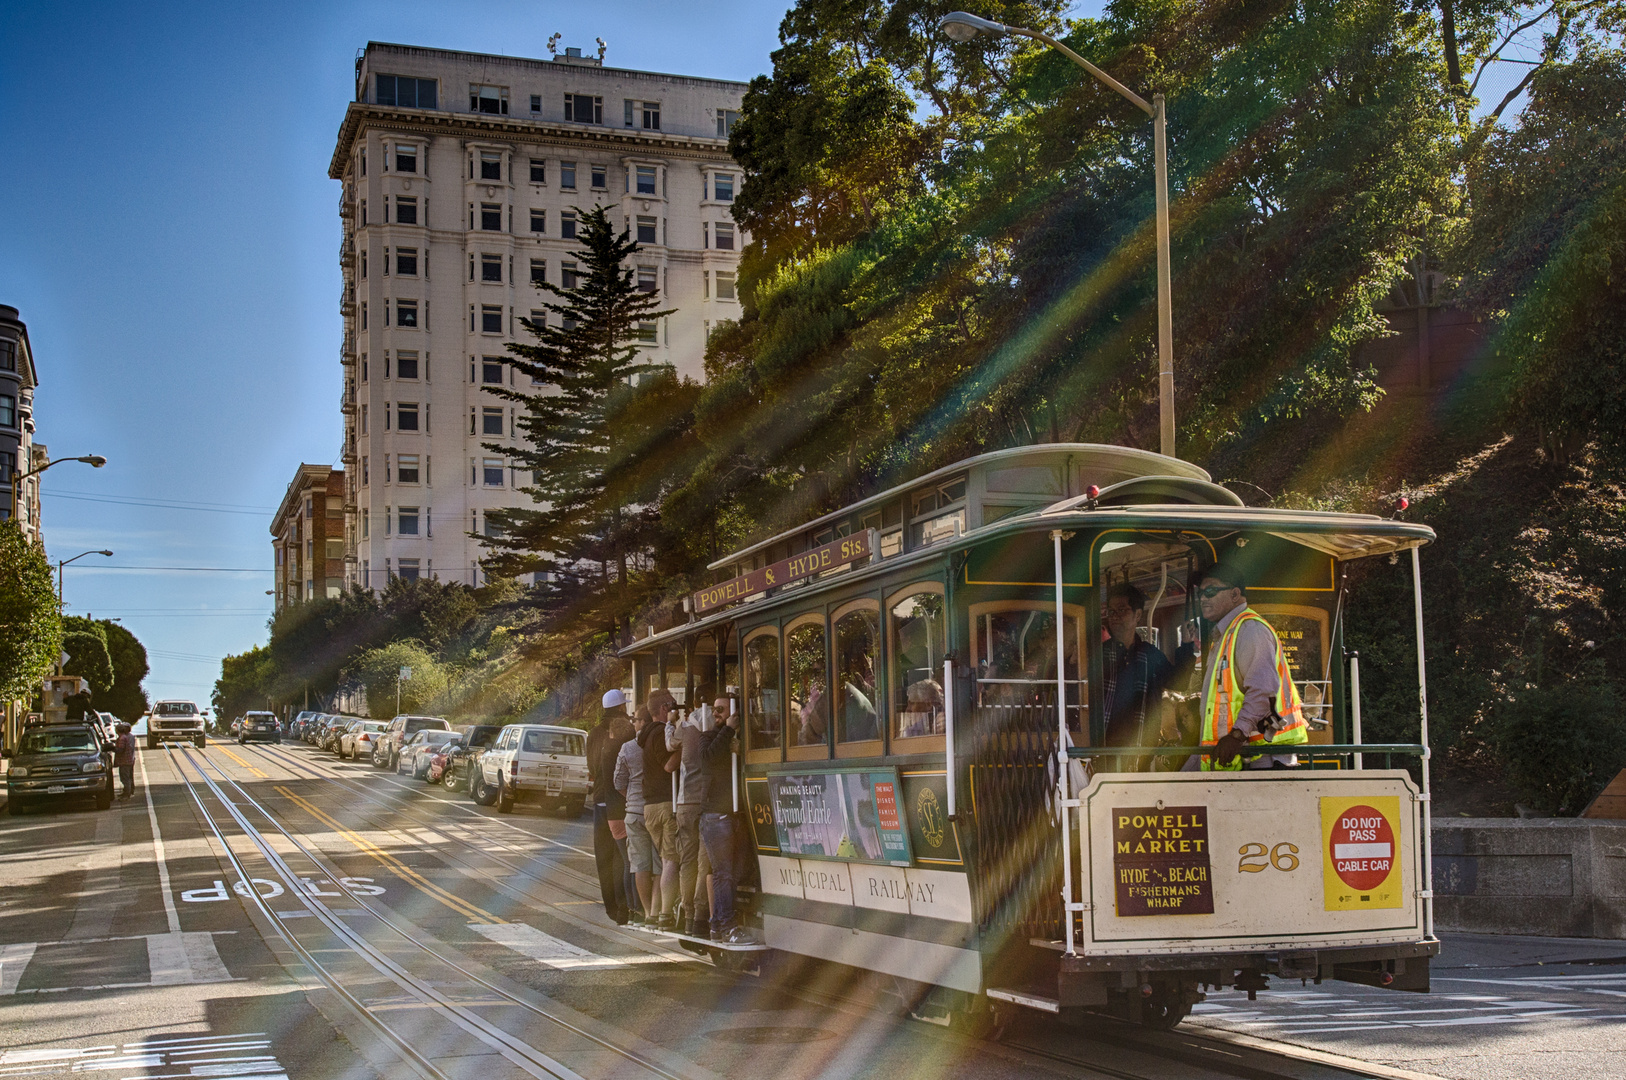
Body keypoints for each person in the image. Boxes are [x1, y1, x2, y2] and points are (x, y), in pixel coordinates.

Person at [1188, 562, 1307, 770]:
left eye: (1211, 591)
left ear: (1235, 594)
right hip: (1242, 759)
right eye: (1201, 593)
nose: (1203, 598)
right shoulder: (1228, 634)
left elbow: (1263, 690)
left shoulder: (1250, 630)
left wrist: (1237, 735)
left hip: (1261, 760)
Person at [699, 695, 753, 944]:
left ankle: (718, 924)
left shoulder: (744, 738)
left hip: (737, 815)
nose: (717, 713)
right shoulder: (709, 736)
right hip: (715, 815)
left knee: (736, 872)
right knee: (724, 873)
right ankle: (727, 926)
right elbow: (709, 758)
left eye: (722, 710)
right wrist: (728, 729)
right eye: (715, 709)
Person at [1101, 582, 1177, 752]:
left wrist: (1186, 645)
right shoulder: (1098, 655)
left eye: (1121, 610)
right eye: (1111, 612)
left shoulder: (1151, 655)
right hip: (1103, 746)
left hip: (1142, 746)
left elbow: (1177, 682)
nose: (1114, 617)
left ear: (1138, 615)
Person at [664, 687, 712, 936]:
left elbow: (670, 744)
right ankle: (702, 915)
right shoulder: (716, 724)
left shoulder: (686, 727)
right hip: (710, 800)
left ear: (692, 704)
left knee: (688, 861)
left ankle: (689, 915)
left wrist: (670, 723)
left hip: (686, 802)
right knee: (706, 862)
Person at [586, 689, 631, 924]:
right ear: (622, 707)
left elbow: (592, 768)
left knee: (603, 856)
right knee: (621, 857)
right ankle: (624, 905)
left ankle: (611, 907)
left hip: (599, 802)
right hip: (619, 802)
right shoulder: (624, 731)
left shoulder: (593, 733)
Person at [641, 695, 679, 930]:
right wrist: (687, 746)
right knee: (671, 861)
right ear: (664, 708)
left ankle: (656, 914)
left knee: (665, 862)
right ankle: (666, 914)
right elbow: (668, 765)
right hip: (666, 804)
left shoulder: (644, 735)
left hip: (649, 807)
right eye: (674, 706)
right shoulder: (659, 734)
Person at [615, 706, 653, 924]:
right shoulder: (660, 742)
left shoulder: (628, 748)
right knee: (660, 865)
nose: (634, 724)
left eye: (636, 720)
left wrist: (630, 796)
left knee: (639, 864)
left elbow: (618, 781)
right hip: (658, 807)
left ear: (642, 722)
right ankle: (657, 912)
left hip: (635, 810)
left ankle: (643, 911)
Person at [113, 721, 137, 800]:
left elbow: (121, 749)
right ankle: (126, 792)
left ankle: (127, 794)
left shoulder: (123, 738)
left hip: (125, 760)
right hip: (127, 760)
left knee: (126, 778)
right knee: (126, 777)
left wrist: (113, 748)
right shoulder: (125, 737)